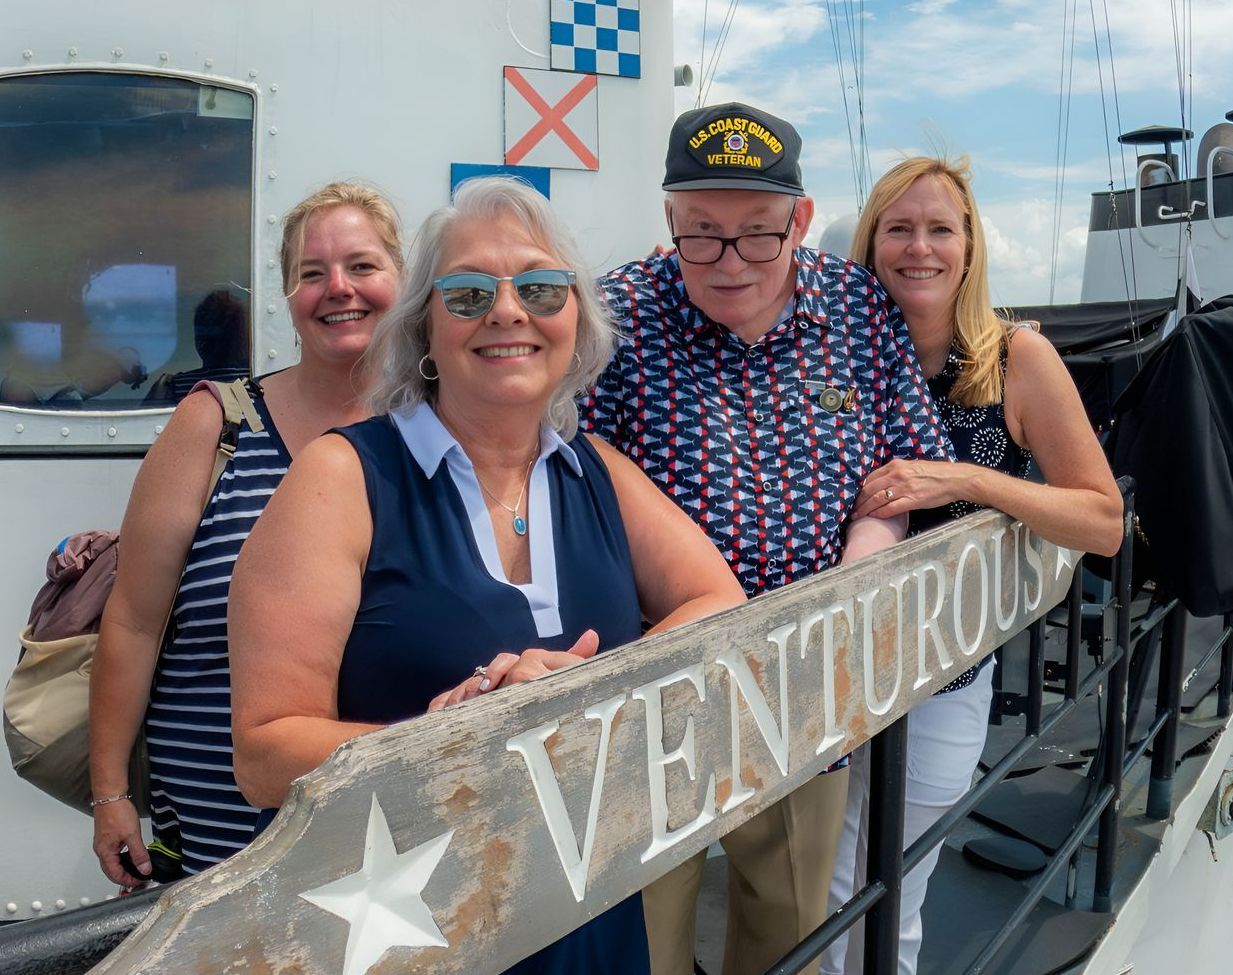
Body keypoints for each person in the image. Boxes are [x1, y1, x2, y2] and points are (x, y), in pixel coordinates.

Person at [226, 176, 746, 974]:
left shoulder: (596, 471)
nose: (507, 312)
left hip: (585, 908)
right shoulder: (346, 477)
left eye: (540, 287)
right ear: (424, 330)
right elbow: (264, 755)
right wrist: (470, 738)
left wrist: (579, 690)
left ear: (574, 319)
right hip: (410, 924)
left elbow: (718, 600)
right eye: (467, 293)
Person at [579, 103, 954, 975]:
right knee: (645, 936)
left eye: (757, 236)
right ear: (669, 218)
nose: (728, 263)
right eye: (700, 235)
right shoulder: (614, 316)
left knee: (787, 918)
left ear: (798, 220)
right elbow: (565, 483)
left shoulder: (857, 306)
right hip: (657, 689)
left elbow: (906, 465)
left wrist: (857, 575)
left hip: (807, 677)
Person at [822, 156, 1124, 975]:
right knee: (814, 894)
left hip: (943, 678)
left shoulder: (1014, 357)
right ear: (870, 242)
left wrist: (962, 477)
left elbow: (1101, 520)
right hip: (824, 674)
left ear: (968, 245)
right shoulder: (828, 356)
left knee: (889, 893)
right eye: (898, 228)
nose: (918, 247)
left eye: (938, 228)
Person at [88, 181, 405, 885]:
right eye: (311, 273)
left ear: (401, 279)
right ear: (288, 295)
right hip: (217, 832)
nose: (337, 289)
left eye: (361, 266)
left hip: (392, 825)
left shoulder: (438, 432)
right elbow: (135, 619)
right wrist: (109, 792)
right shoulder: (218, 424)